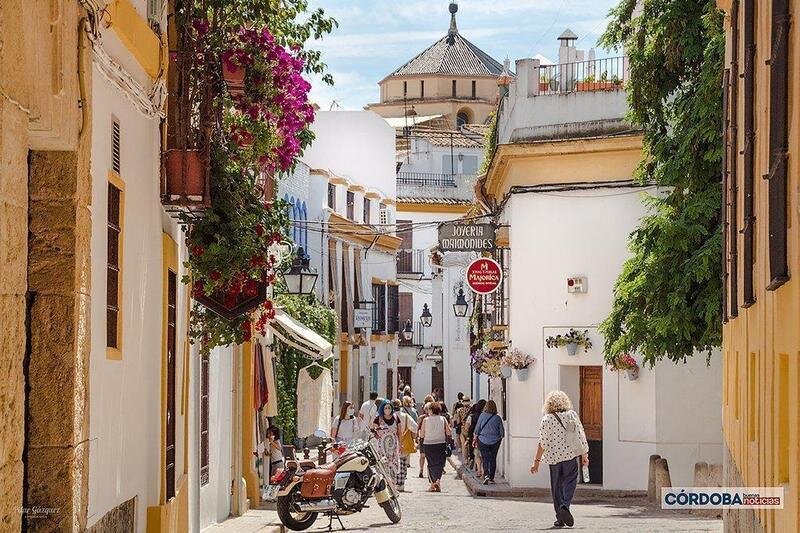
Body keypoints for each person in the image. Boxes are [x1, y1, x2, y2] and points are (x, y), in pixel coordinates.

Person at [530, 391, 589, 529]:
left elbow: (542, 443)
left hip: (554, 459)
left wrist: (536, 462)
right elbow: (581, 434)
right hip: (570, 456)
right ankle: (565, 505)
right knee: (570, 481)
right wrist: (584, 455)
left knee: (556, 487)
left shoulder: (547, 419)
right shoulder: (572, 415)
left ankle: (559, 518)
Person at [419, 402, 451, 492]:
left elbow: (422, 434)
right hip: (441, 443)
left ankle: (432, 484)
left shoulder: (426, 420)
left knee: (431, 463)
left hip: (428, 444)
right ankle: (438, 481)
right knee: (440, 463)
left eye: (429, 409)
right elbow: (448, 432)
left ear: (431, 410)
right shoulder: (443, 419)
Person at [473, 400, 504, 485]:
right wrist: (499, 438)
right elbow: (502, 432)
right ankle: (491, 477)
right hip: (495, 441)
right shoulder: (497, 418)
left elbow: (477, 429)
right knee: (493, 458)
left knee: (485, 458)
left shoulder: (482, 416)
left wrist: (476, 437)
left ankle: (486, 475)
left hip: (483, 441)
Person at [372, 399, 402, 486]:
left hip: (393, 446)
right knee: (383, 464)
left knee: (393, 464)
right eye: (386, 408)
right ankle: (383, 484)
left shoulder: (396, 418)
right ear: (382, 409)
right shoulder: (378, 419)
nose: (387, 409)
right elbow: (374, 431)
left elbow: (400, 432)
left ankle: (392, 484)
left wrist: (401, 444)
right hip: (382, 447)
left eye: (389, 408)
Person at [393, 399, 418, 491]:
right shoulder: (406, 417)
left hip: (392, 443)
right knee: (403, 464)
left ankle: (393, 482)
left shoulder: (390, 416)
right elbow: (415, 427)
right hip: (404, 443)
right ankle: (401, 484)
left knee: (393, 464)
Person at [463, 399, 485, 469]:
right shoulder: (484, 416)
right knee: (481, 453)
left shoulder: (471, 416)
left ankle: (475, 464)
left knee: (475, 452)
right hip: (482, 435)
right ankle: (480, 468)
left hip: (472, 435)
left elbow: (466, 427)